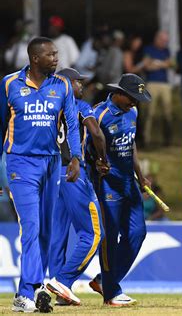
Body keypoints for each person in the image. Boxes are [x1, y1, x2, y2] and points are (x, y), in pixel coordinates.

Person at [0, 36, 81, 313]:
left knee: (46, 230)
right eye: (51, 55)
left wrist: (76, 157)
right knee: (31, 227)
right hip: (20, 163)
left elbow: (72, 124)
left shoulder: (63, 86)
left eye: (57, 54)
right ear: (35, 58)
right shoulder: (10, 84)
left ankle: (28, 290)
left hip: (52, 162)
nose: (57, 59)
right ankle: (29, 291)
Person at [46, 68, 109, 306]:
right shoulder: (79, 105)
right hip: (74, 173)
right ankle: (63, 280)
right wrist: (103, 159)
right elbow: (96, 133)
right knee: (94, 233)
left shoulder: (47, 103)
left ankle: (59, 290)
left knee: (57, 235)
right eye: (78, 82)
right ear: (65, 83)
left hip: (52, 175)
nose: (82, 87)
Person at [88, 73, 151, 306]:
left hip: (128, 182)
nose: (136, 102)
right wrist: (96, 164)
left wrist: (140, 175)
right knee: (109, 237)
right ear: (119, 94)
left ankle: (104, 280)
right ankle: (111, 292)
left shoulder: (132, 112)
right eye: (132, 97)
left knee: (137, 233)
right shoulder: (99, 114)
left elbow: (130, 142)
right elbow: (88, 149)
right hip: (106, 183)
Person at [143, 30, 173, 147]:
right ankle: (147, 139)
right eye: (163, 40)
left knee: (167, 112)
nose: (165, 43)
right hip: (152, 83)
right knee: (150, 112)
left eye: (166, 41)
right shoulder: (149, 49)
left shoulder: (166, 51)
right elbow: (147, 66)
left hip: (165, 84)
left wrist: (155, 63)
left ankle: (167, 139)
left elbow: (169, 64)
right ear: (157, 39)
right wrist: (162, 64)